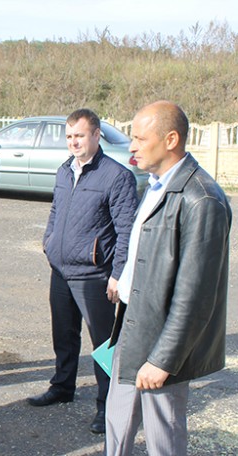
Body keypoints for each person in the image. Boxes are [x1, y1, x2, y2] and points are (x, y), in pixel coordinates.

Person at [105, 101, 231, 455]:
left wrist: (163, 360)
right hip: (131, 332)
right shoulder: (156, 184)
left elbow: (195, 296)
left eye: (140, 139)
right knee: (116, 432)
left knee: (163, 440)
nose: (131, 146)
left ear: (171, 139)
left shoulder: (201, 199)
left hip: (160, 346)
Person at [27, 109, 139, 434]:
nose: (74, 142)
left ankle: (108, 407)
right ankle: (63, 387)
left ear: (96, 135)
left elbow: (127, 231)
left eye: (80, 135)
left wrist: (118, 274)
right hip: (61, 271)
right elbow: (55, 210)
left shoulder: (116, 176)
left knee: (103, 345)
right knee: (64, 335)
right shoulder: (64, 171)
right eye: (69, 136)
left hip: (94, 276)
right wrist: (49, 241)